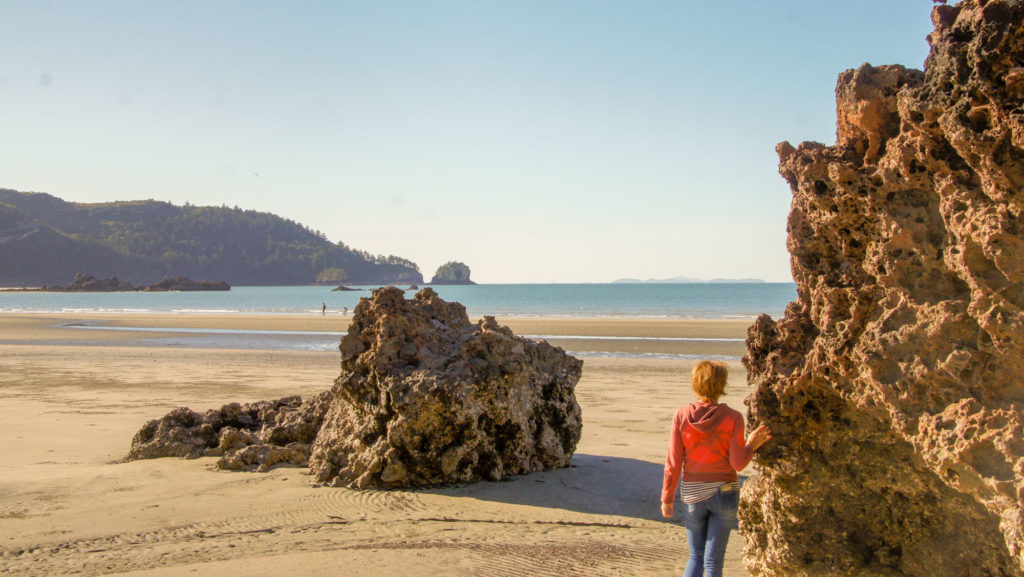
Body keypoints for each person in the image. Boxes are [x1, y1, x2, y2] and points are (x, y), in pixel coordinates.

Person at [661, 360, 771, 577]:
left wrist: (667, 498)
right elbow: (738, 463)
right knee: (713, 562)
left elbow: (673, 462)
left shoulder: (681, 416)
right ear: (722, 385)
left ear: (695, 383)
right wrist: (751, 445)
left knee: (695, 557)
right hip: (724, 493)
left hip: (692, 494)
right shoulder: (733, 417)